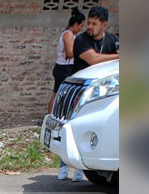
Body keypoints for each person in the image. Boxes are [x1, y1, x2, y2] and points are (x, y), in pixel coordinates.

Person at [50, 7, 86, 182]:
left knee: (59, 94)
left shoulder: (71, 35)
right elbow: (70, 53)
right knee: (58, 95)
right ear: (77, 24)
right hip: (64, 68)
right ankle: (53, 116)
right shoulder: (68, 35)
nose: (82, 29)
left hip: (65, 68)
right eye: (82, 25)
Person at [72, 6, 119, 74]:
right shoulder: (81, 39)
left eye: (94, 24)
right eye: (88, 23)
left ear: (104, 25)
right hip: (83, 82)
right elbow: (94, 59)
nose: (89, 27)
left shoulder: (113, 39)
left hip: (104, 82)